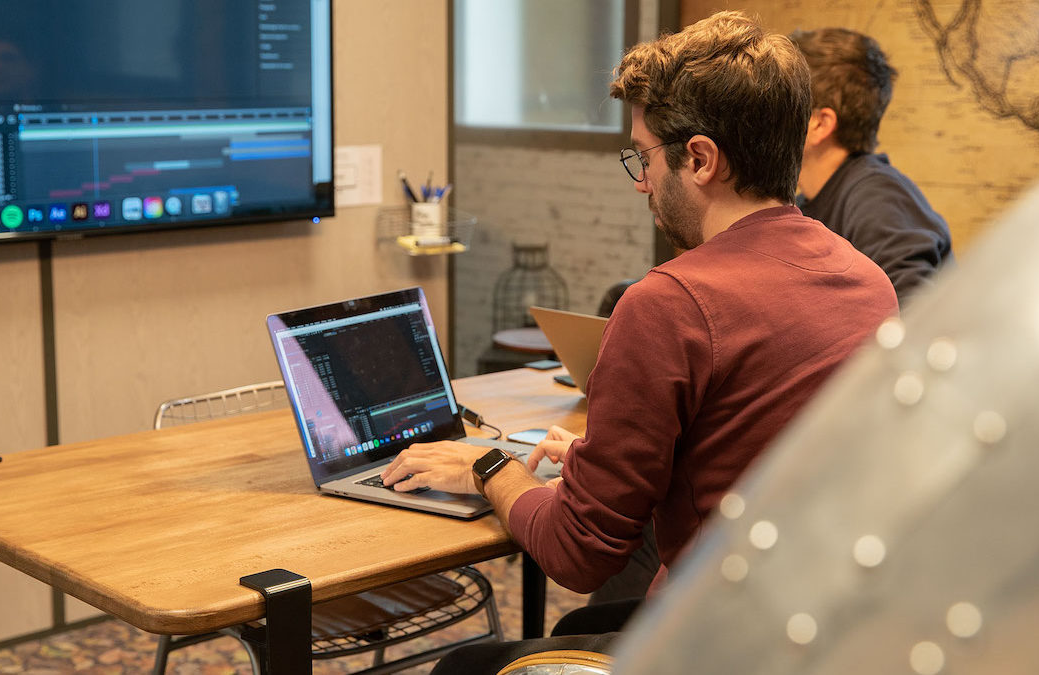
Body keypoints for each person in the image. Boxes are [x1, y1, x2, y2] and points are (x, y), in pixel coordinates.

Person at [382, 11, 898, 672]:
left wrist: (487, 468)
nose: (640, 182)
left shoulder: (668, 303)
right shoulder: (867, 281)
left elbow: (578, 551)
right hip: (819, 628)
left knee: (465, 666)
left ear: (702, 158)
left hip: (713, 642)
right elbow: (746, 448)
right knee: (586, 623)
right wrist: (604, 462)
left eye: (645, 157)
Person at [791, 27, 953, 307]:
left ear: (819, 124)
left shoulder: (876, 197)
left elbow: (913, 316)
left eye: (782, 103)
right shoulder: (807, 204)